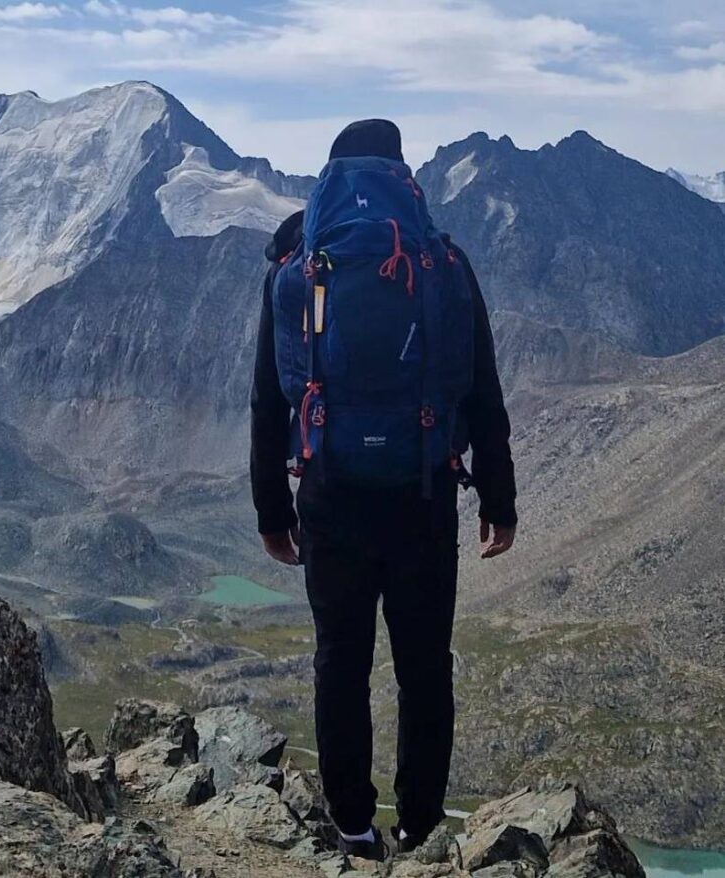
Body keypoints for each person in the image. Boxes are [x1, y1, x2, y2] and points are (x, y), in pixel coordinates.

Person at [250, 119, 518, 859]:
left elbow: (269, 400)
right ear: (403, 173)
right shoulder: (442, 262)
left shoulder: (298, 267)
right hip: (422, 498)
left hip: (331, 498)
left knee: (341, 659)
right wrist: (500, 501)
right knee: (424, 665)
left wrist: (273, 510)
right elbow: (482, 389)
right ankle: (424, 826)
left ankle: (353, 824)